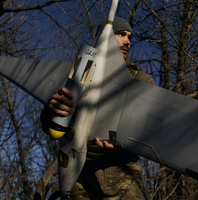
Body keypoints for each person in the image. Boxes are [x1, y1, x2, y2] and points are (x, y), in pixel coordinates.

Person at [41, 17, 155, 200]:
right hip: (78, 175)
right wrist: (51, 109)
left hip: (122, 174)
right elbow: (49, 127)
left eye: (130, 37)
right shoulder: (78, 74)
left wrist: (121, 139)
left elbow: (147, 128)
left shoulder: (140, 81)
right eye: (121, 34)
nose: (128, 41)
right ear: (105, 37)